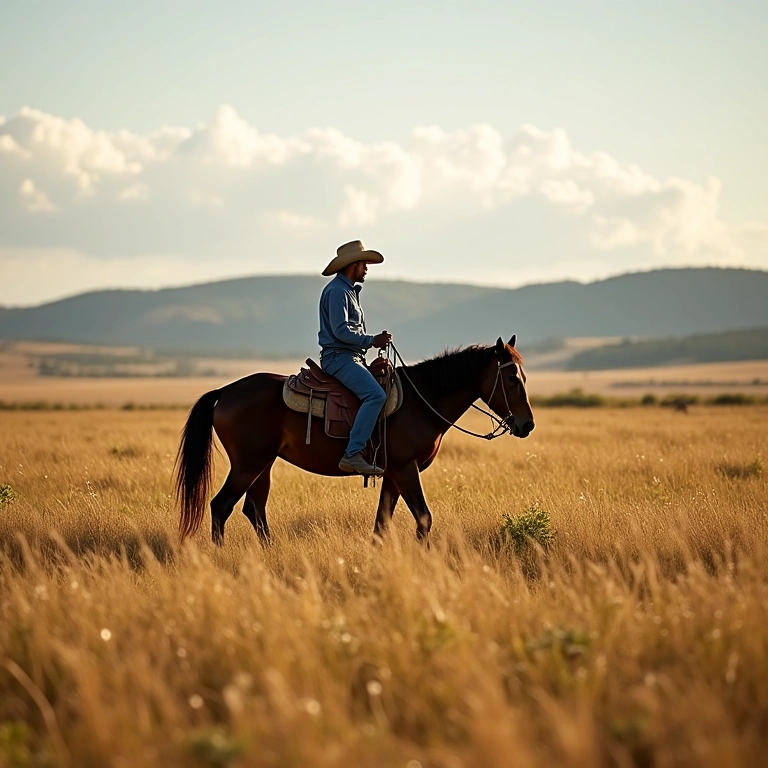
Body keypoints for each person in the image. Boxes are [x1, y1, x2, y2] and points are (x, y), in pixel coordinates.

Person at [318, 240, 393, 475]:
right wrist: (372, 341)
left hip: (350, 357)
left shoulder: (348, 291)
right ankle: (352, 454)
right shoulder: (338, 291)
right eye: (364, 263)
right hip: (339, 358)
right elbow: (341, 331)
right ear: (353, 265)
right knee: (375, 395)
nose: (367, 268)